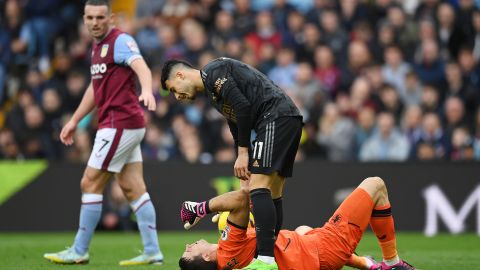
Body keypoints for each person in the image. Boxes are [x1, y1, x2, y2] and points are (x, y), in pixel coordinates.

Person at [43, 0, 163, 266]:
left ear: (111, 18)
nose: (95, 22)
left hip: (119, 123)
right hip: (124, 125)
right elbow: (95, 89)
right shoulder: (97, 48)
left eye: (100, 17)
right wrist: (75, 120)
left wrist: (146, 89)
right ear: (84, 19)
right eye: (90, 17)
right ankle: (153, 250)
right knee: (133, 188)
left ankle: (79, 249)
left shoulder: (120, 41)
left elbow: (141, 65)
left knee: (89, 182)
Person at [162, 57, 303, 269]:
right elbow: (236, 118)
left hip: (275, 117)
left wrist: (243, 153)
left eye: (173, 89)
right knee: (272, 192)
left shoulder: (213, 72)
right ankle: (268, 253)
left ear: (180, 75)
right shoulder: (212, 92)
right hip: (283, 119)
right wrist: (241, 153)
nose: (177, 96)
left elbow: (242, 106)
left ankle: (265, 260)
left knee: (259, 188)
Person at [179, 177, 416, 270]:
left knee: (302, 230)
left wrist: (230, 218)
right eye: (189, 251)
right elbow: (241, 199)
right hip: (324, 249)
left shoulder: (229, 259)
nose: (189, 244)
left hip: (309, 250)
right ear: (207, 258)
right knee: (375, 185)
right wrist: (199, 208)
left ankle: (369, 265)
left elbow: (248, 227)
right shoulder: (227, 248)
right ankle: (391, 263)